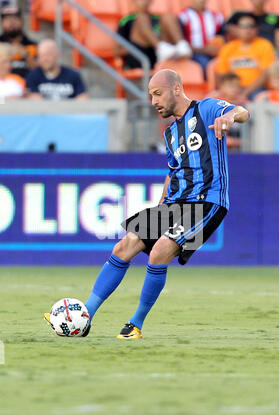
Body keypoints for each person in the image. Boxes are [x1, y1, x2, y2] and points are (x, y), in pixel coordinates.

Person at [44, 69, 249, 339]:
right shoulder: (170, 133)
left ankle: (135, 324)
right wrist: (160, 207)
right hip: (174, 203)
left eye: (157, 94)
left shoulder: (208, 109)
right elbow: (173, 171)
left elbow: (244, 112)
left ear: (176, 89)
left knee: (160, 251)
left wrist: (229, 116)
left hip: (205, 202)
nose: (153, 101)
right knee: (125, 245)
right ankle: (85, 317)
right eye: (150, 95)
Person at [115, 0, 192, 70]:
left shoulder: (157, 18)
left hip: (160, 56)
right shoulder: (127, 20)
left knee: (168, 17)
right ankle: (161, 48)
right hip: (139, 56)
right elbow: (117, 51)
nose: (144, 2)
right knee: (142, 17)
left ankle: (182, 46)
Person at [216, 12, 276, 100]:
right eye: (243, 26)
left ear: (256, 29)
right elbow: (222, 74)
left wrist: (245, 92)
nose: (247, 29)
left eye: (251, 26)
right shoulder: (228, 48)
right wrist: (231, 90)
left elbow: (265, 74)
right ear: (237, 29)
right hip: (232, 89)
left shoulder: (264, 45)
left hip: (256, 89)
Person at [178, 0, 225, 75]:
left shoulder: (216, 16)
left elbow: (222, 36)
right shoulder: (183, 16)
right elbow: (181, 44)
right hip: (194, 53)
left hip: (214, 52)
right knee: (205, 64)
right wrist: (204, 50)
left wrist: (218, 47)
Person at [0, 5, 37, 78]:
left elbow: (40, 71)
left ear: (22, 21)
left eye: (15, 18)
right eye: (7, 19)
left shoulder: (32, 45)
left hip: (26, 86)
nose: (12, 22)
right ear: (2, 23)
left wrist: (26, 55)